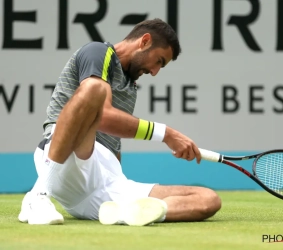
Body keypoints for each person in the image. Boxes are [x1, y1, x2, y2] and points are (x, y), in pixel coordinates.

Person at [18, 18, 221, 226]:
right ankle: (39, 194)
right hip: (68, 160)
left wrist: (118, 179)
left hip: (109, 183)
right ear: (145, 41)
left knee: (208, 199)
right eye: (159, 61)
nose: (155, 72)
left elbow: (112, 144)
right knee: (94, 90)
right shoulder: (98, 53)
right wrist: (167, 134)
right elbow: (103, 118)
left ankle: (129, 214)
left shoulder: (131, 85)